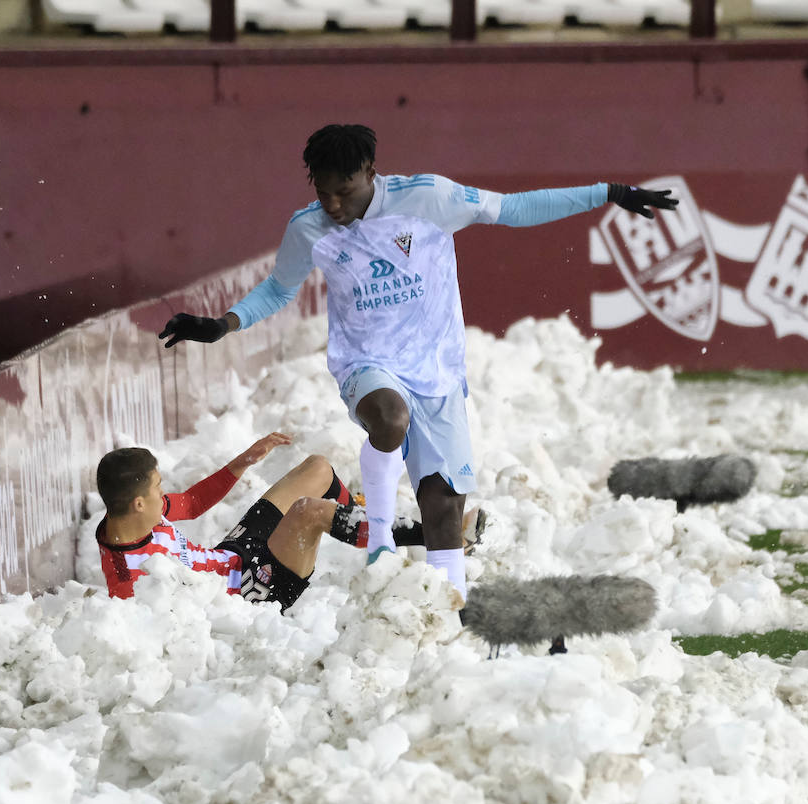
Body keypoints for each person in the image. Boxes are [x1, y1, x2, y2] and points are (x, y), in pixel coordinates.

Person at [156, 123, 678, 606]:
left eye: (346, 190)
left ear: (370, 173)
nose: (334, 204)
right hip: (366, 362)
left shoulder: (429, 198)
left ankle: (451, 610)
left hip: (438, 370)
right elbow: (277, 288)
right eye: (324, 192)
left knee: (444, 508)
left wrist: (609, 192)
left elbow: (515, 209)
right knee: (389, 417)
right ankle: (380, 536)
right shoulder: (308, 229)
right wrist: (222, 325)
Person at [95, 434, 478, 609]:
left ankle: (357, 519)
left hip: (230, 557)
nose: (166, 494)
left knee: (317, 468)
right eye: (159, 486)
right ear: (138, 502)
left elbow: (192, 503)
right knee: (308, 512)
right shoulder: (129, 578)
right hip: (245, 593)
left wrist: (241, 462)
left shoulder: (140, 511)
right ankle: (438, 534)